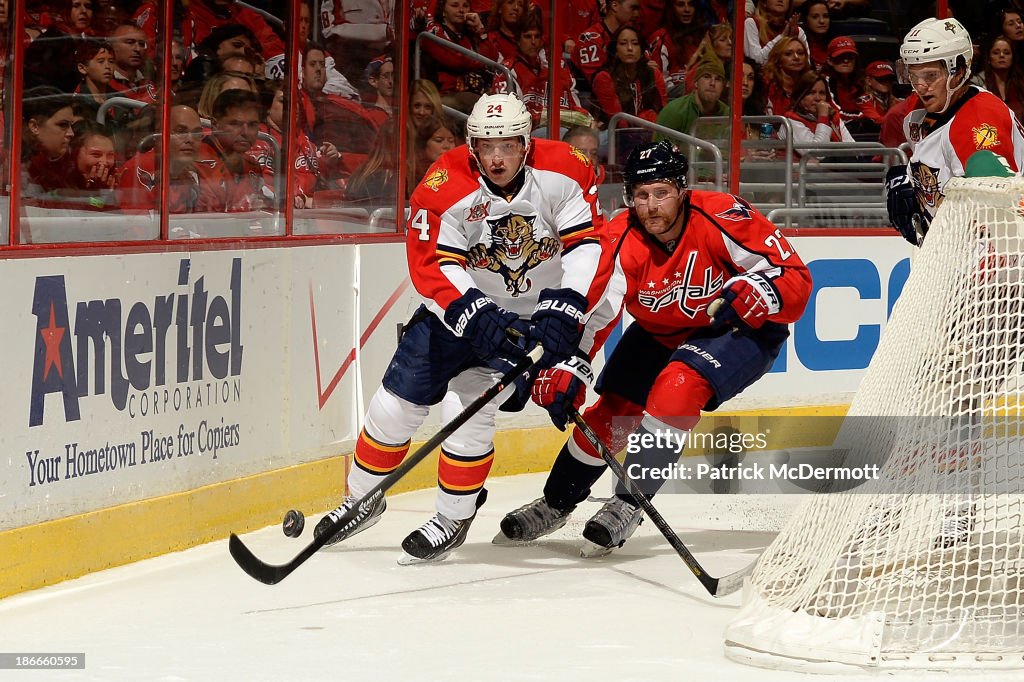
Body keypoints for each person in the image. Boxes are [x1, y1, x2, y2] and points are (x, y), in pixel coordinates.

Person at [314, 93, 612, 564]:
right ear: (471, 143)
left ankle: (452, 517)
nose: (496, 158)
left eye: (508, 146)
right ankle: (360, 500)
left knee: (467, 408)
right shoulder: (441, 184)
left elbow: (587, 244)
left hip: (527, 322)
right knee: (393, 407)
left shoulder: (567, 169)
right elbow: (433, 265)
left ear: (526, 142)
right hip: (453, 316)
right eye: (485, 146)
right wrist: (473, 311)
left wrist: (564, 310)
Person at [495, 140, 811, 555]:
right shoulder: (620, 239)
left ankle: (629, 501)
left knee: (676, 389)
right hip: (659, 333)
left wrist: (760, 290)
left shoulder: (722, 215)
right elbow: (595, 313)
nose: (651, 206)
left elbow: (796, 279)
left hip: (735, 330)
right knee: (611, 415)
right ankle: (557, 503)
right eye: (641, 196)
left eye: (661, 192)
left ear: (682, 190)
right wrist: (569, 364)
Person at [885, 17, 1024, 247]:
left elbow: (1001, 220)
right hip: (955, 256)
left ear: (958, 71)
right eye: (913, 75)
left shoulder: (979, 122)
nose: (920, 86)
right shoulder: (922, 112)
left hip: (994, 263)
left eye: (930, 75)